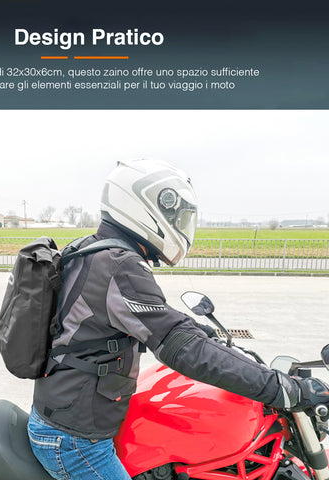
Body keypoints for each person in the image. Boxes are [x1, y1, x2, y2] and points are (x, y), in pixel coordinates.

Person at [27, 159, 329, 480]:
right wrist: (284, 389)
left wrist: (202, 333)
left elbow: (157, 317)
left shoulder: (94, 251)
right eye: (177, 217)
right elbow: (183, 348)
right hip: (75, 442)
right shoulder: (119, 266)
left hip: (67, 415)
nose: (181, 226)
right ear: (145, 207)